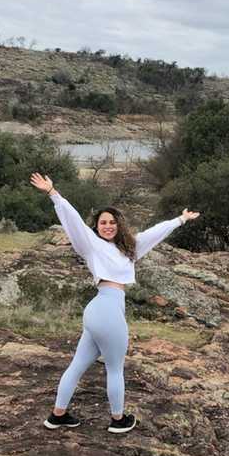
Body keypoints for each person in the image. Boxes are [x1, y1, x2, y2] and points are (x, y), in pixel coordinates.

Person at [29, 172, 199, 434]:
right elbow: (73, 221)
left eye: (111, 222)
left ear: (119, 225)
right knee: (115, 368)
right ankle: (118, 420)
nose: (107, 226)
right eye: (102, 223)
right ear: (96, 227)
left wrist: (180, 220)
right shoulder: (92, 245)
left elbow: (153, 234)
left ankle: (57, 415)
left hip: (98, 312)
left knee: (77, 365)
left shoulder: (128, 250)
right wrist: (54, 194)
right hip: (106, 310)